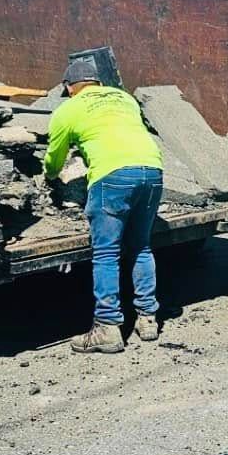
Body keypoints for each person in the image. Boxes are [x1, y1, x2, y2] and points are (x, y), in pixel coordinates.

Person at [44, 53, 165, 354]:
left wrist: (49, 176)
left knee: (107, 252)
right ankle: (148, 319)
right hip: (152, 170)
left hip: (111, 177)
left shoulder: (68, 109)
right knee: (141, 246)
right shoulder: (125, 99)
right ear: (98, 83)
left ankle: (108, 328)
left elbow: (55, 156)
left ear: (69, 86)